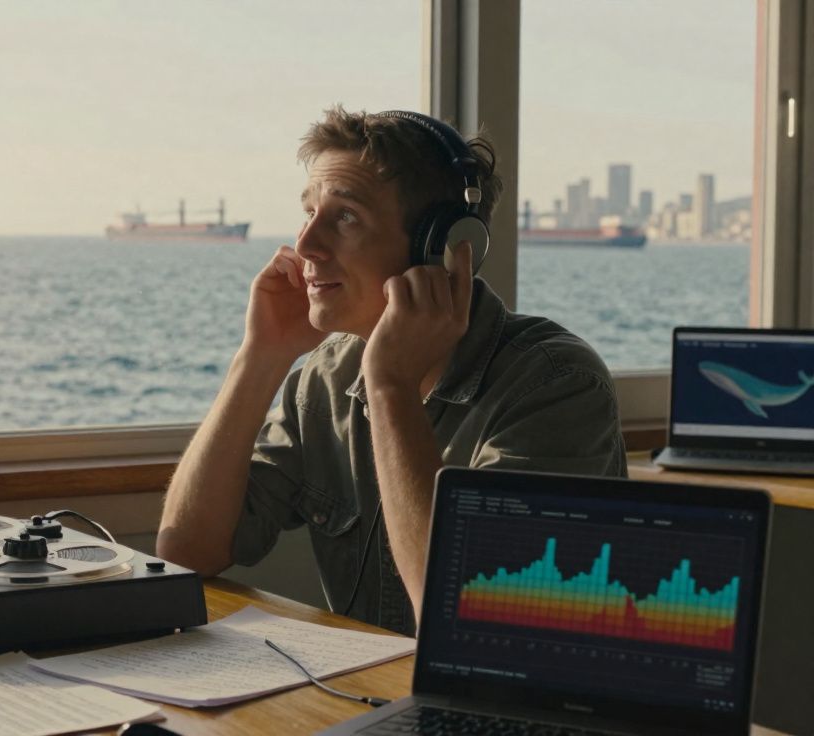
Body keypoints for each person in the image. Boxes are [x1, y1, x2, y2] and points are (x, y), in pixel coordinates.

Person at [156, 106, 626, 636]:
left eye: (346, 216)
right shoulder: (326, 379)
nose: (306, 244)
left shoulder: (557, 386)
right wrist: (260, 355)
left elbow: (467, 621)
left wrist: (389, 386)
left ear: (439, 248)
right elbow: (188, 551)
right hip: (374, 685)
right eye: (308, 211)